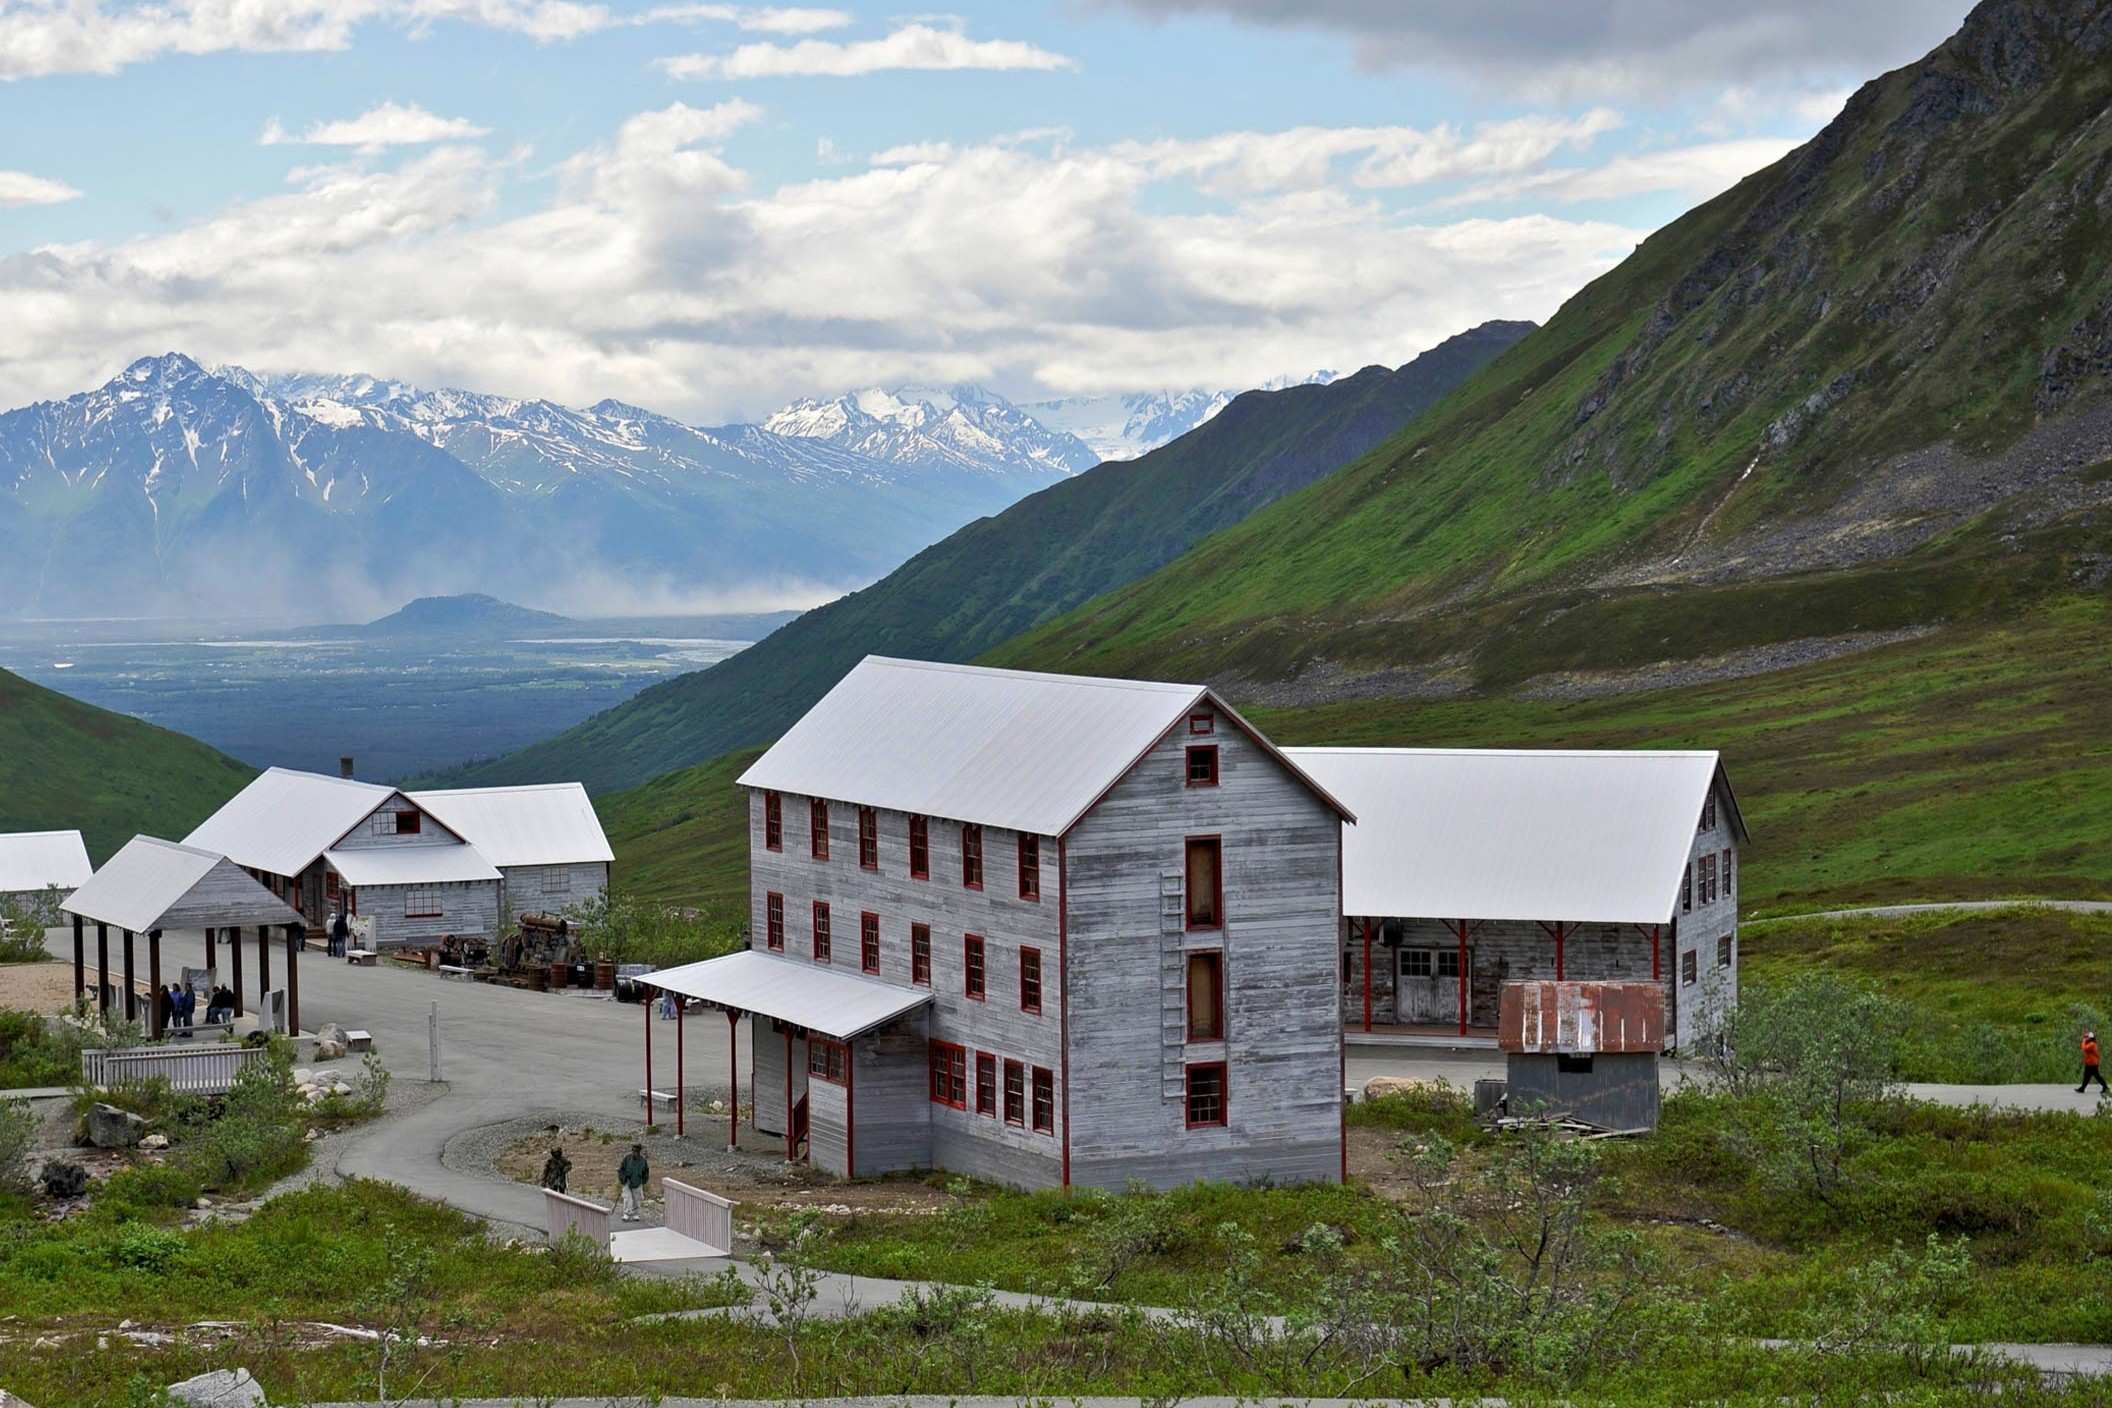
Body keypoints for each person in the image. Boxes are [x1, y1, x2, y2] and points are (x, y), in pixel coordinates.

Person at [616, 1142, 650, 1222]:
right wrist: (623, 1179)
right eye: (633, 1151)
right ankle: (626, 1214)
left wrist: (643, 1181)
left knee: (637, 1199)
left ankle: (636, 1214)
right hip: (627, 1182)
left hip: (637, 1182)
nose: (634, 1153)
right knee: (628, 1198)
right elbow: (621, 1170)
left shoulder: (643, 1161)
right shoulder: (627, 1158)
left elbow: (646, 1172)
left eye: (636, 1151)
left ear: (639, 1151)